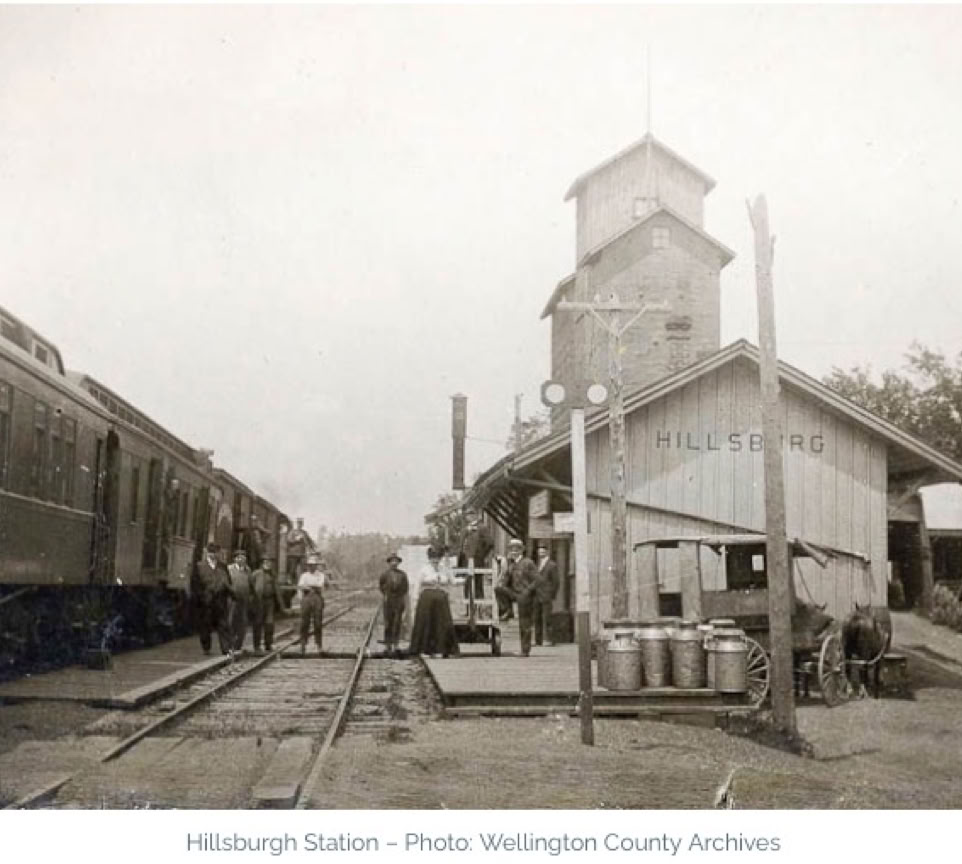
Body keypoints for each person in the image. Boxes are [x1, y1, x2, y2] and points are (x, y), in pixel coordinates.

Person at [408, 548, 459, 658]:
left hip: (441, 600)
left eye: (437, 558)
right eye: (433, 558)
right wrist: (415, 599)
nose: (435, 560)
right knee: (427, 624)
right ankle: (425, 650)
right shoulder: (424, 569)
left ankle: (441, 650)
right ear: (429, 558)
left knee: (441, 624)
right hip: (427, 599)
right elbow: (417, 584)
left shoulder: (444, 569)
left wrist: (467, 578)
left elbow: (453, 581)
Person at [191, 542, 234, 656]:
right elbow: (195, 584)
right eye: (210, 552)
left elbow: (228, 582)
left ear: (218, 553)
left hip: (220, 599)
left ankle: (226, 649)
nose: (213, 555)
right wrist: (201, 597)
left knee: (223, 624)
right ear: (206, 553)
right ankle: (206, 647)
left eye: (215, 552)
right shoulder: (199, 566)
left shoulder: (222, 566)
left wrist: (230, 594)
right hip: (206, 600)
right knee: (205, 625)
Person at [499, 538, 538, 656]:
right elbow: (505, 581)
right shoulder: (511, 564)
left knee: (524, 623)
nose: (514, 551)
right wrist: (503, 568)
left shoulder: (528, 563)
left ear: (522, 550)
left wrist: (528, 591)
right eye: (512, 549)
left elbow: (537, 580)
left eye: (517, 549)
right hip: (514, 593)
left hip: (525, 595)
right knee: (498, 589)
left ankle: (525, 650)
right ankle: (508, 610)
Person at [250, 557, 284, 653]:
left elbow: (277, 589)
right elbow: (250, 586)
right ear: (262, 563)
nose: (267, 564)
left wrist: (281, 605)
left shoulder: (273, 575)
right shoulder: (256, 574)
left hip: (270, 602)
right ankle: (256, 646)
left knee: (269, 624)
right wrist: (252, 600)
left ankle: (268, 645)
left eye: (269, 562)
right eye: (265, 562)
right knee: (257, 623)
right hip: (259, 602)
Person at [379, 553, 409, 656]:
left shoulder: (402, 575)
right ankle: (388, 645)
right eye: (392, 561)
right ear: (389, 563)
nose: (394, 563)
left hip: (398, 601)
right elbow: (381, 586)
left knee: (397, 623)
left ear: (398, 563)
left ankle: (396, 644)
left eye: (396, 561)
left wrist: (402, 601)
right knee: (388, 623)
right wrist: (386, 595)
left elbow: (405, 588)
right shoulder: (384, 574)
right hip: (388, 601)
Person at [297, 553, 326, 655]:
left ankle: (319, 645)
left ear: (316, 565)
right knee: (304, 623)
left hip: (317, 598)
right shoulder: (304, 575)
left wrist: (308, 586)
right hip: (306, 599)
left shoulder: (321, 575)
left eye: (313, 565)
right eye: (310, 565)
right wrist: (310, 587)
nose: (311, 566)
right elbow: (301, 587)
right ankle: (303, 645)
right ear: (307, 565)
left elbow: (319, 585)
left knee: (318, 623)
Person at [533, 544, 560, 647]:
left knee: (547, 618)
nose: (541, 554)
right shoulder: (537, 564)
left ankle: (549, 639)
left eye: (543, 552)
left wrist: (552, 594)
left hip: (546, 595)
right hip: (537, 595)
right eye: (539, 552)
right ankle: (538, 640)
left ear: (547, 552)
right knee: (537, 618)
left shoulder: (552, 565)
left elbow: (556, 582)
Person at [227, 549, 253, 652]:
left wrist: (250, 596)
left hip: (244, 600)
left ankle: (238, 645)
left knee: (242, 622)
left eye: (243, 557)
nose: (242, 559)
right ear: (235, 559)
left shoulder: (248, 570)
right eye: (239, 557)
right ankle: (230, 644)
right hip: (232, 600)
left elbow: (250, 584)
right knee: (231, 621)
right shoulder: (229, 569)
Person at [286, 517, 314, 582]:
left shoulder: (304, 533)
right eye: (298, 523)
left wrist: (313, 548)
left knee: (304, 568)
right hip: (293, 554)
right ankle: (290, 581)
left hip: (302, 554)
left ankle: (303, 581)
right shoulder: (292, 532)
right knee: (292, 569)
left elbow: (310, 541)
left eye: (301, 523)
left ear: (302, 524)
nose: (299, 525)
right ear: (296, 524)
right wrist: (296, 539)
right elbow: (288, 541)